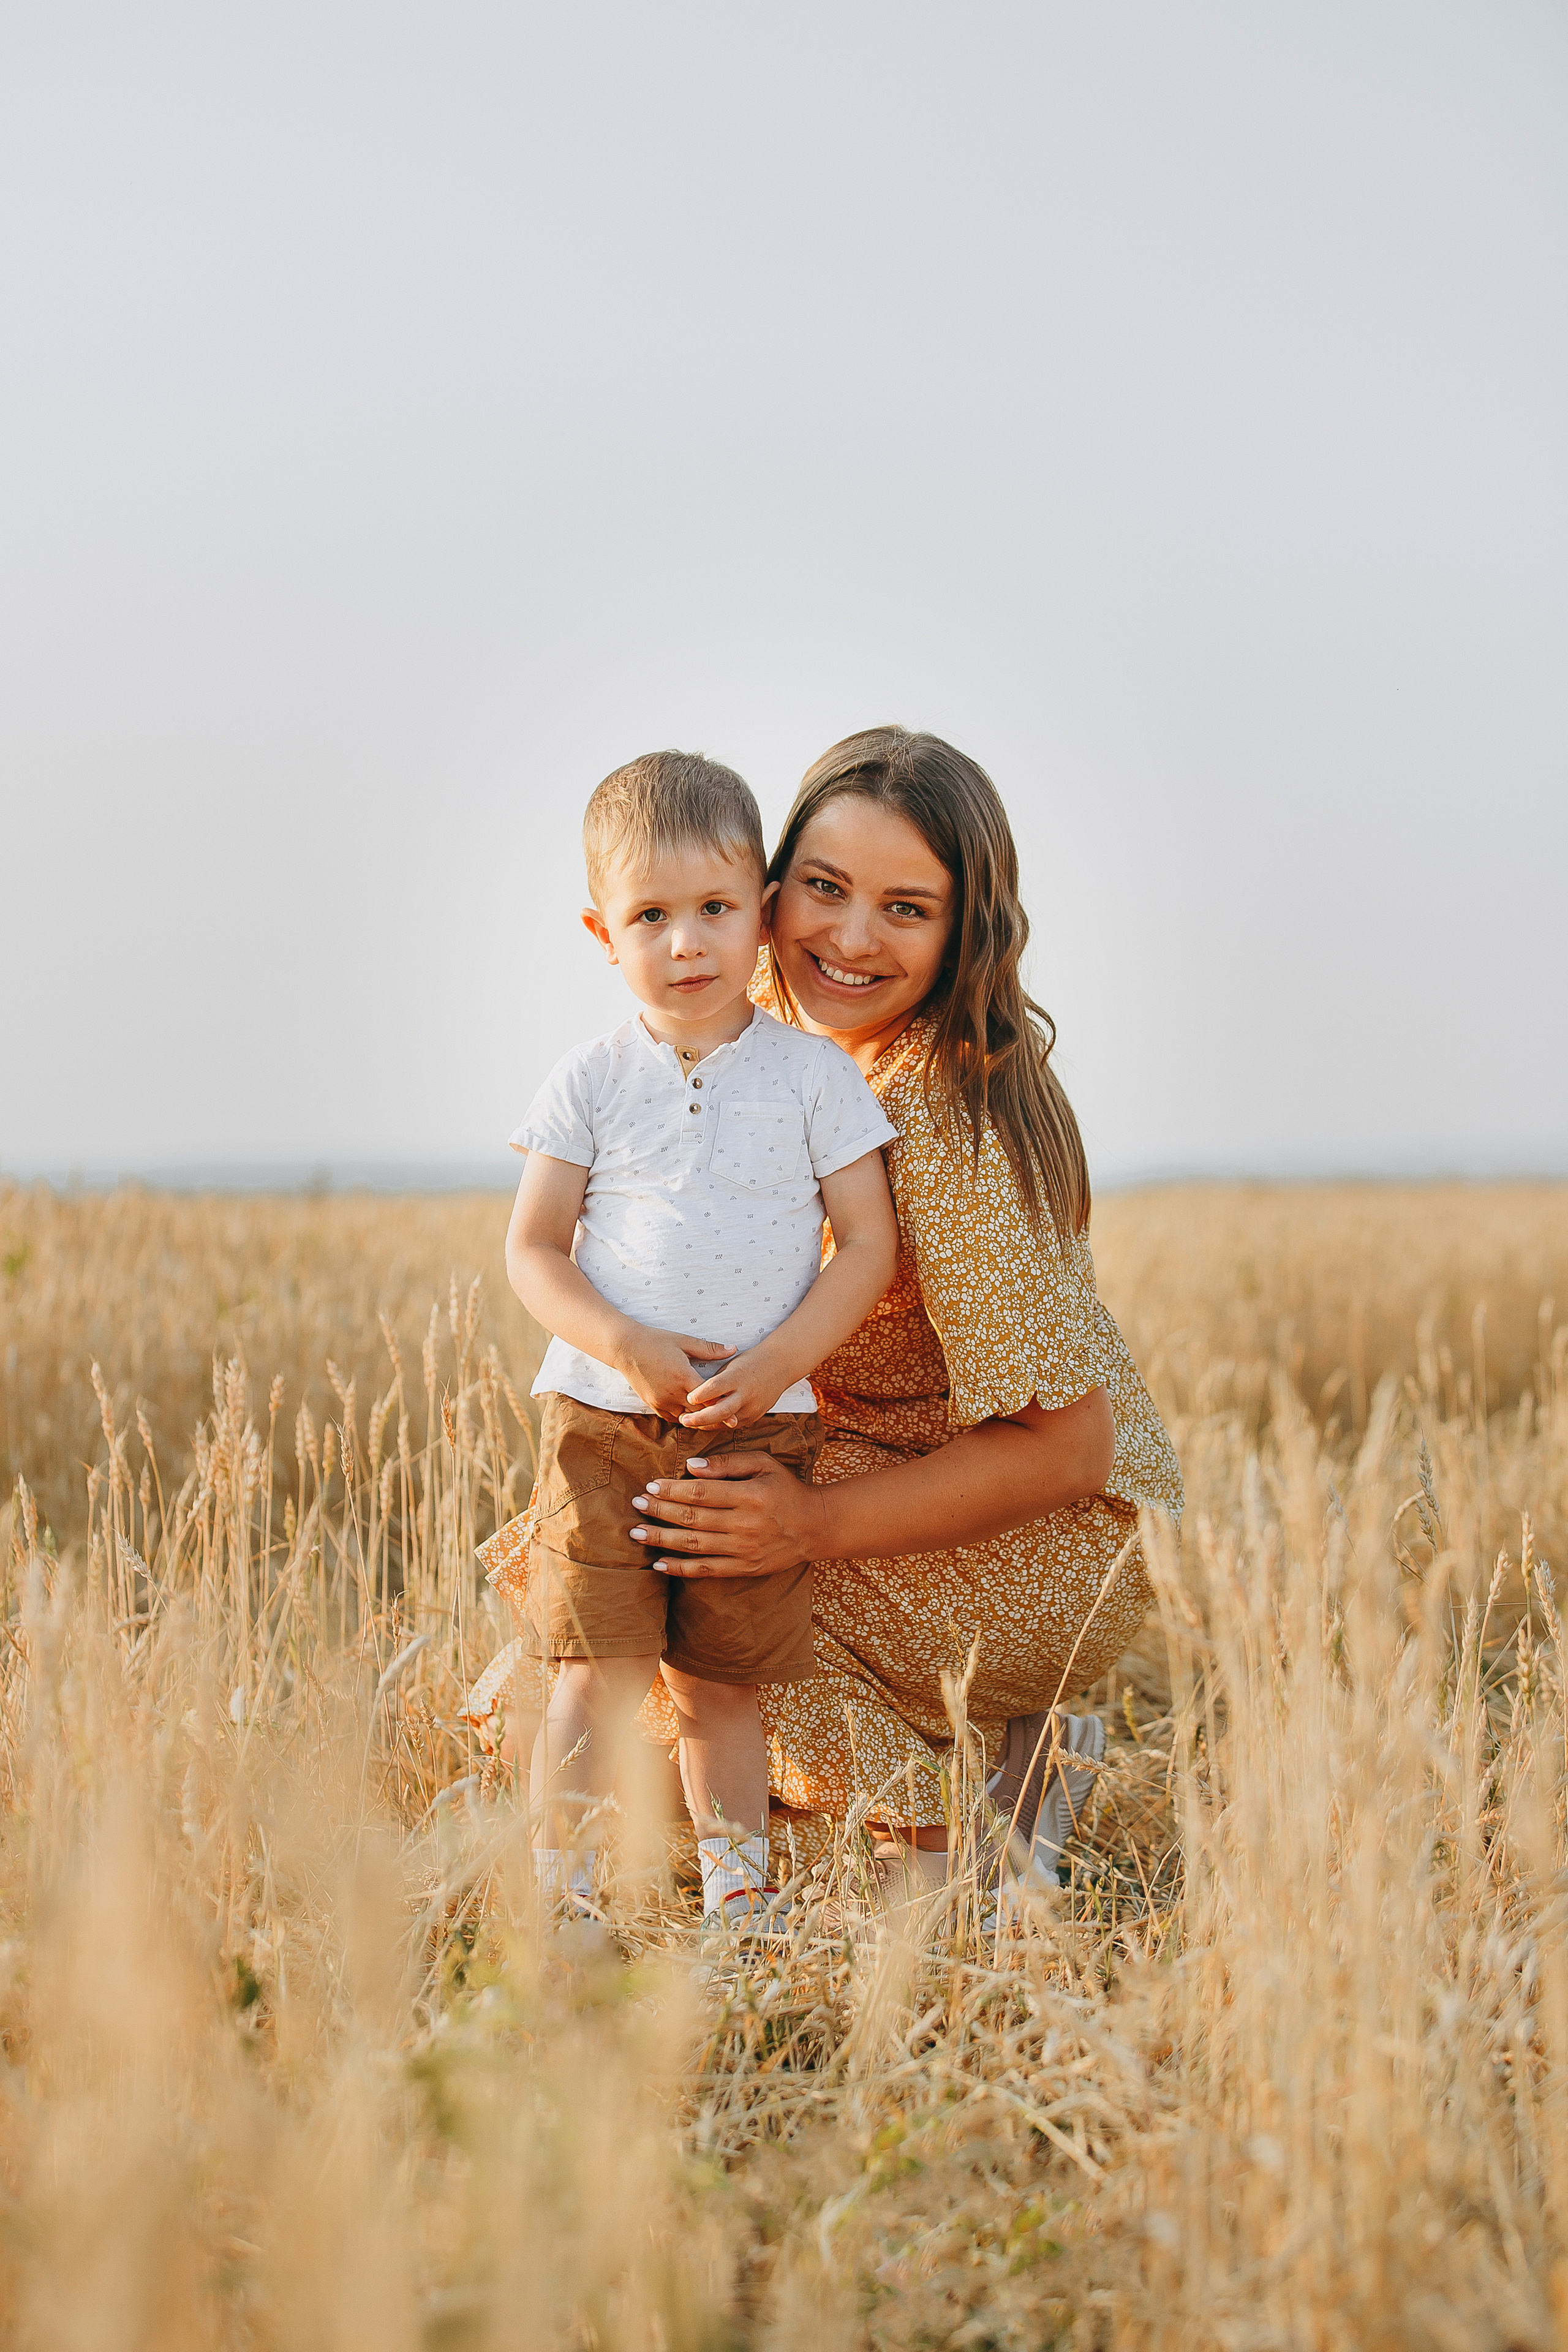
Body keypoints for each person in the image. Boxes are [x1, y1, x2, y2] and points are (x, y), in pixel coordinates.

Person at [625, 726, 1184, 1890]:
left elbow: (1073, 1447)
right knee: (582, 1671)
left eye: (907, 908)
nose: (852, 937)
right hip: (887, 1470)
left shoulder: (936, 1111)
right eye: (824, 889)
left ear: (963, 929)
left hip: (1031, 1543)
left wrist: (805, 1528)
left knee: (669, 1663)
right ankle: (1004, 1760)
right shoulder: (774, 1049)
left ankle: (975, 1840)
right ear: (769, 893)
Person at [478, 749, 899, 1928]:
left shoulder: (814, 1079)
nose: (687, 943)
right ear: (600, 931)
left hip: (761, 1430)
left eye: (716, 908)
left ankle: (742, 1912)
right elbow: (534, 1250)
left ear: (762, 910)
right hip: (607, 1424)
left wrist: (781, 1362)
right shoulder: (590, 1080)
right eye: (650, 916)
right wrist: (623, 1342)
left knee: (720, 1684)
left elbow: (863, 1245)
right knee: (594, 1675)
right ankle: (555, 1906)